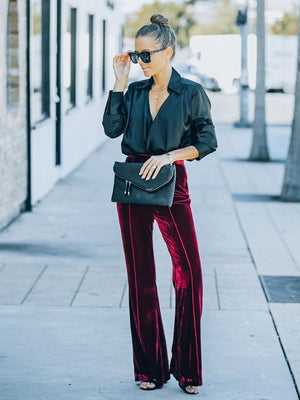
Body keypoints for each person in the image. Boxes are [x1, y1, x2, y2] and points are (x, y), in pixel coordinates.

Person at [102, 13, 217, 395]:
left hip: (171, 183)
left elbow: (207, 141)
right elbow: (112, 129)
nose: (141, 63)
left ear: (168, 52)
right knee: (141, 277)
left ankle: (187, 369)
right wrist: (119, 83)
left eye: (146, 55)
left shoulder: (191, 93)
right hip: (132, 185)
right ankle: (148, 368)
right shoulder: (133, 92)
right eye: (136, 57)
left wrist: (170, 156)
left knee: (190, 275)